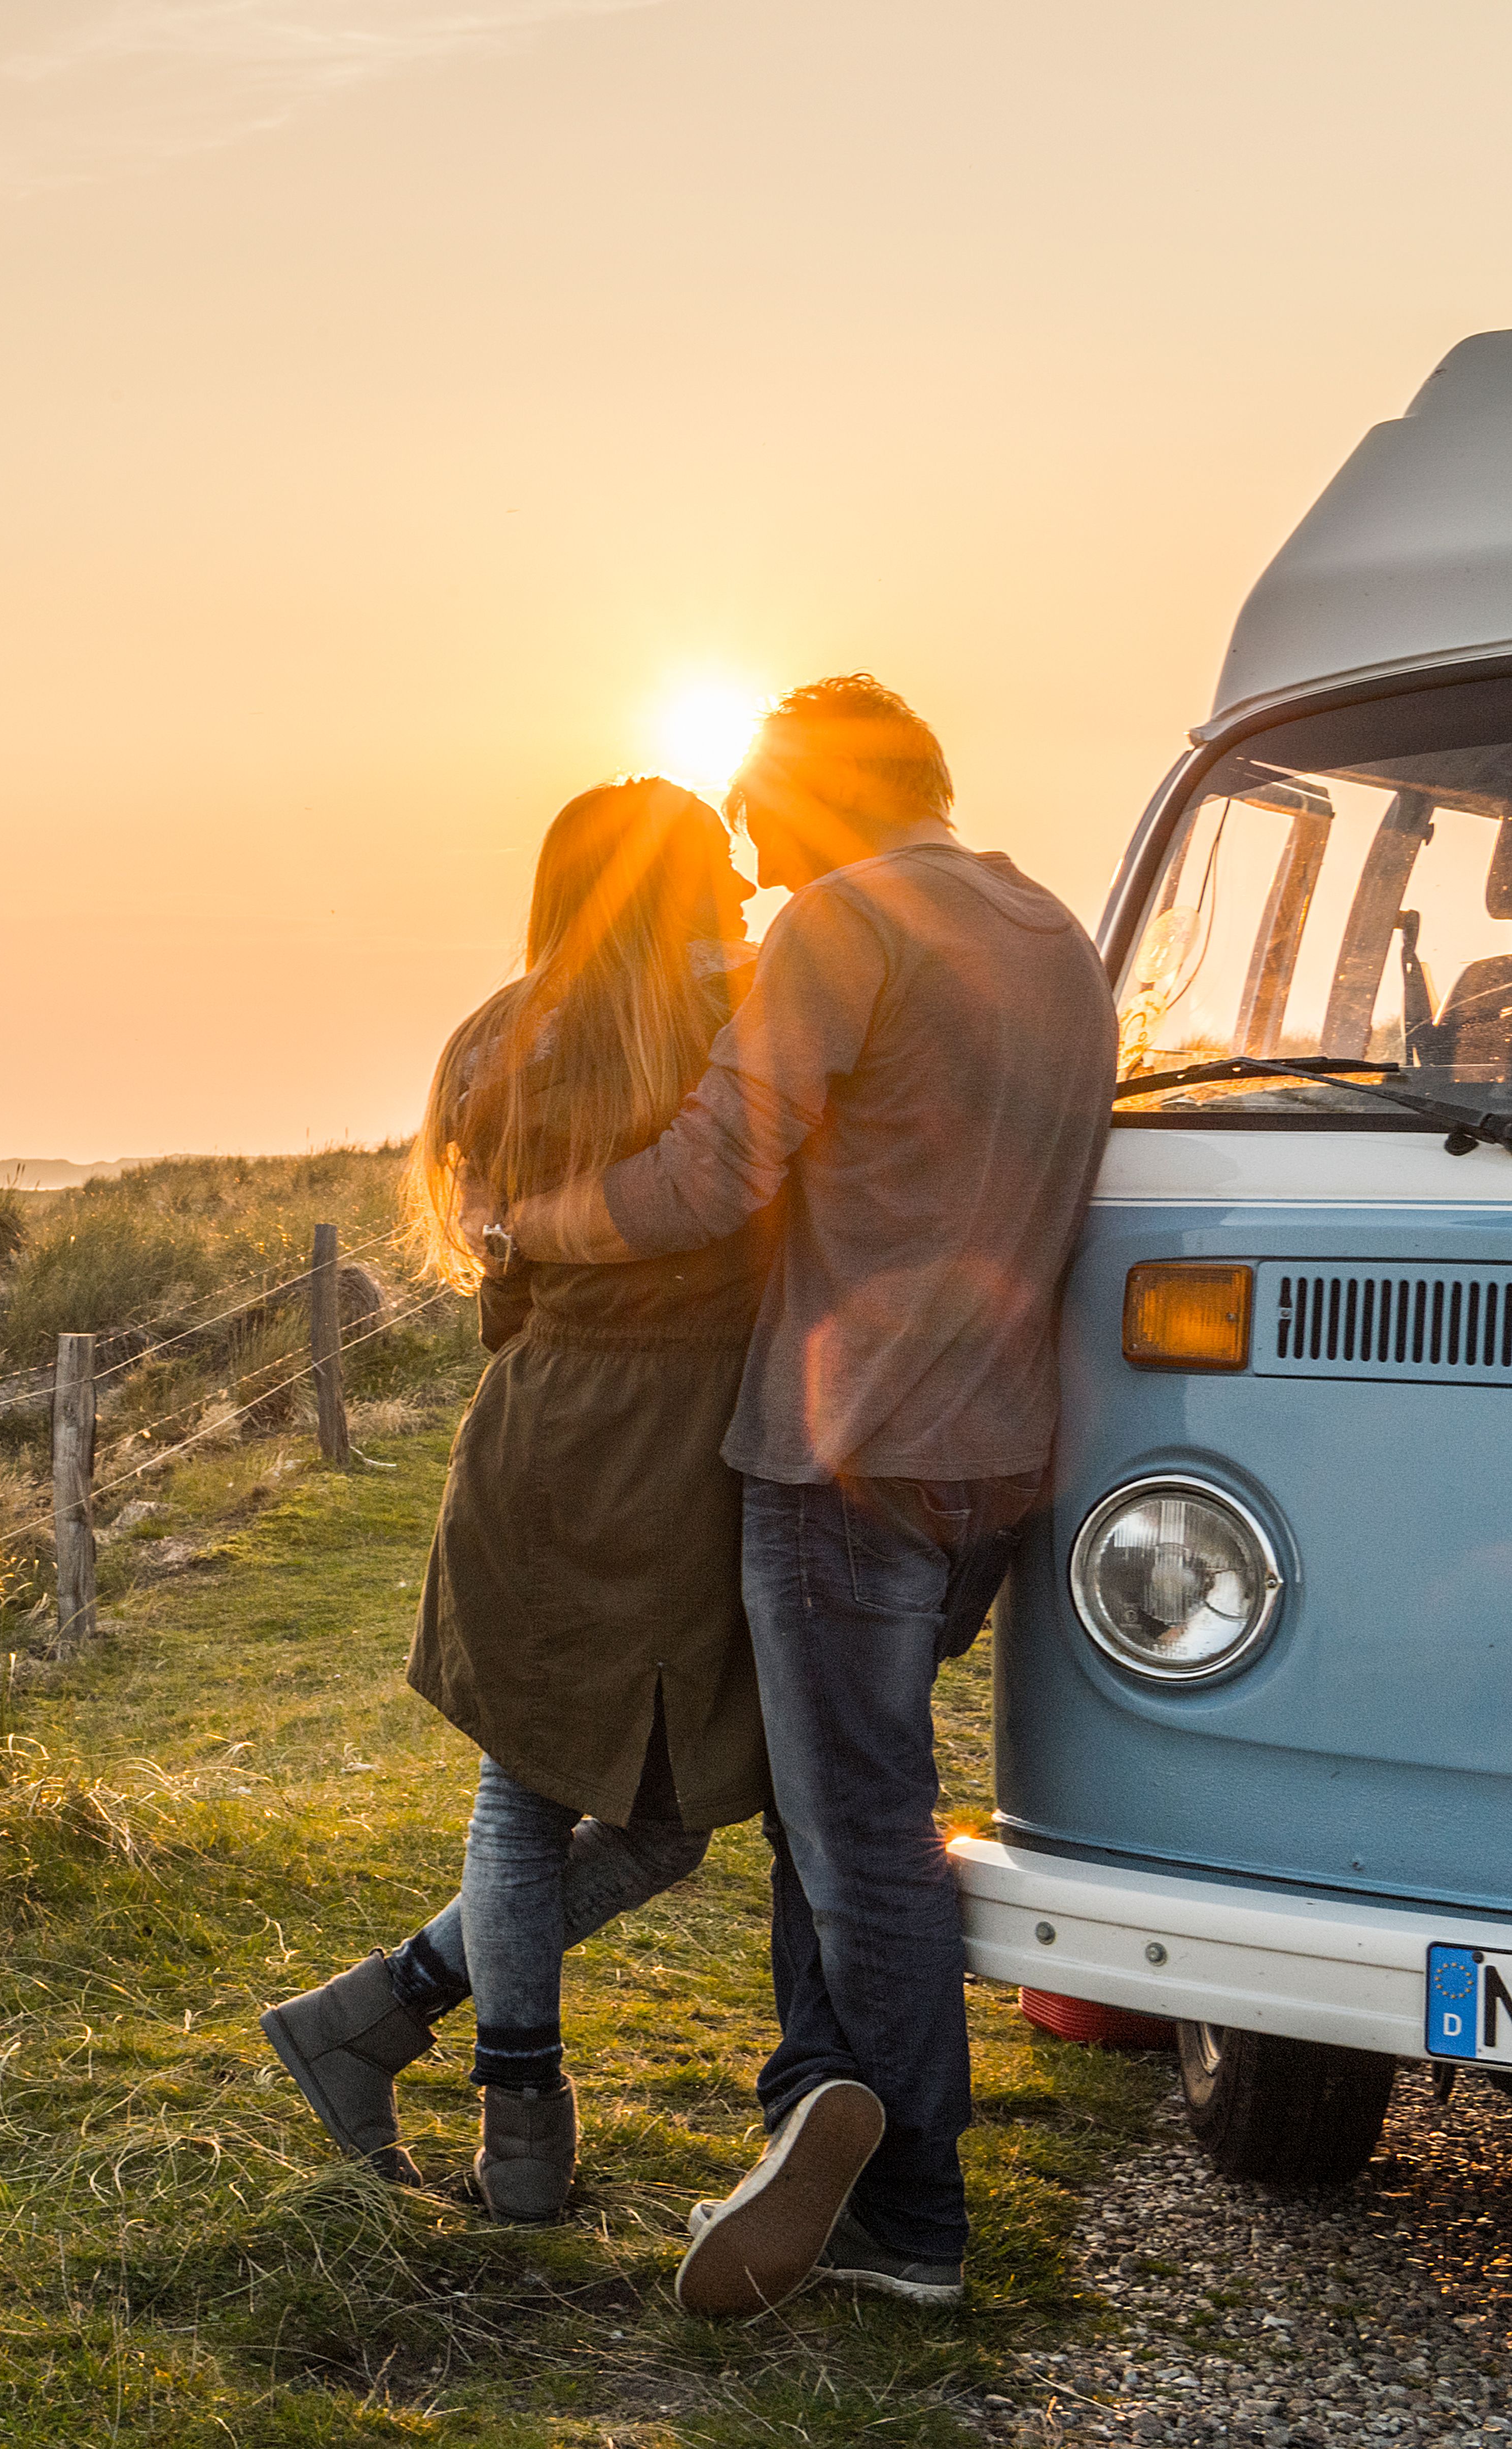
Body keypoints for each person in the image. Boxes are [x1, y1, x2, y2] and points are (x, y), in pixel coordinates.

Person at [490, 675, 1113, 2313]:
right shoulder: (1046, 925)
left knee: (866, 1849)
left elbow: (713, 1169)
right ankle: (808, 2108)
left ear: (826, 797)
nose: (754, 861)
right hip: (999, 1456)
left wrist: (530, 1227)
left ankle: (911, 2220)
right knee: (831, 1812)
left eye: (762, 815)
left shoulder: (851, 918)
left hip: (844, 1463)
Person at [260, 776, 778, 2223]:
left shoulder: (499, 1038)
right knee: (628, 1808)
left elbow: (493, 1263)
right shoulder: (734, 1022)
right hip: (681, 1441)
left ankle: (395, 2019)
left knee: (547, 1786)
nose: (742, 891)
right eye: (717, 869)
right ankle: (511, 2109)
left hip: (547, 1425)